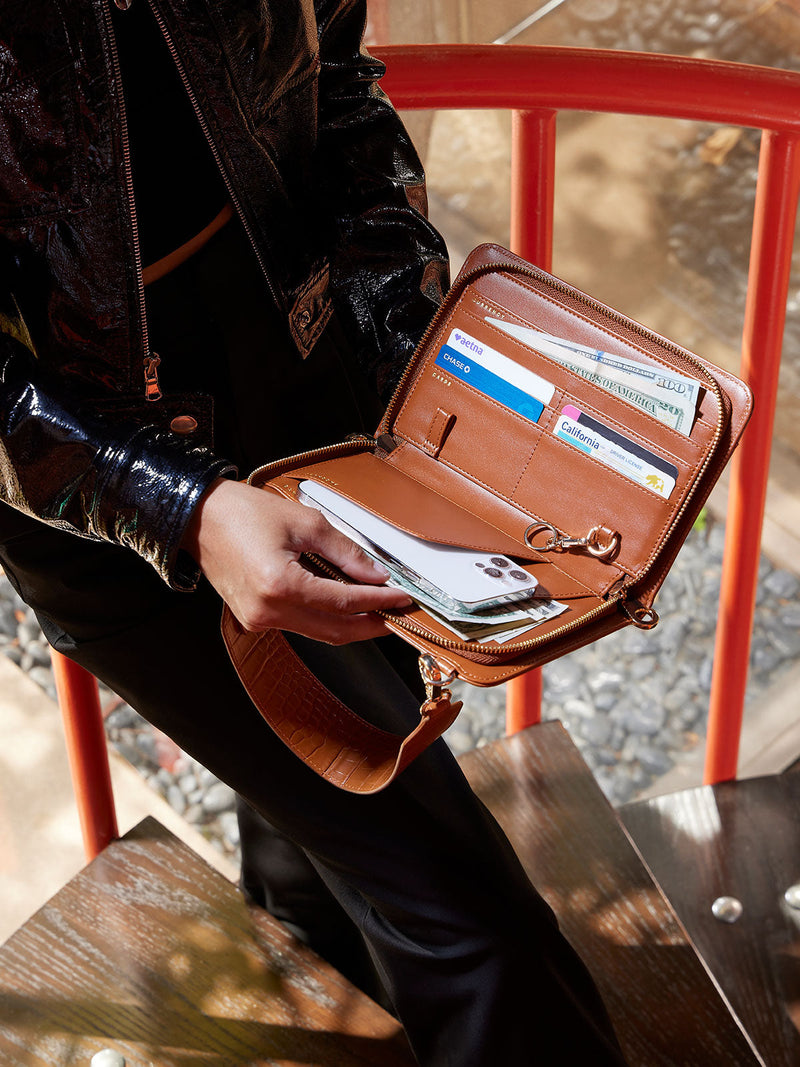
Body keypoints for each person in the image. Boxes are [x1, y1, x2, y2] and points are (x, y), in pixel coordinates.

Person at [0, 1, 627, 1063]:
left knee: (331, 790)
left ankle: (315, 959)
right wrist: (179, 504)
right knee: (478, 927)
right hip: (87, 458)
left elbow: (328, 80)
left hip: (315, 369)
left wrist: (400, 344)